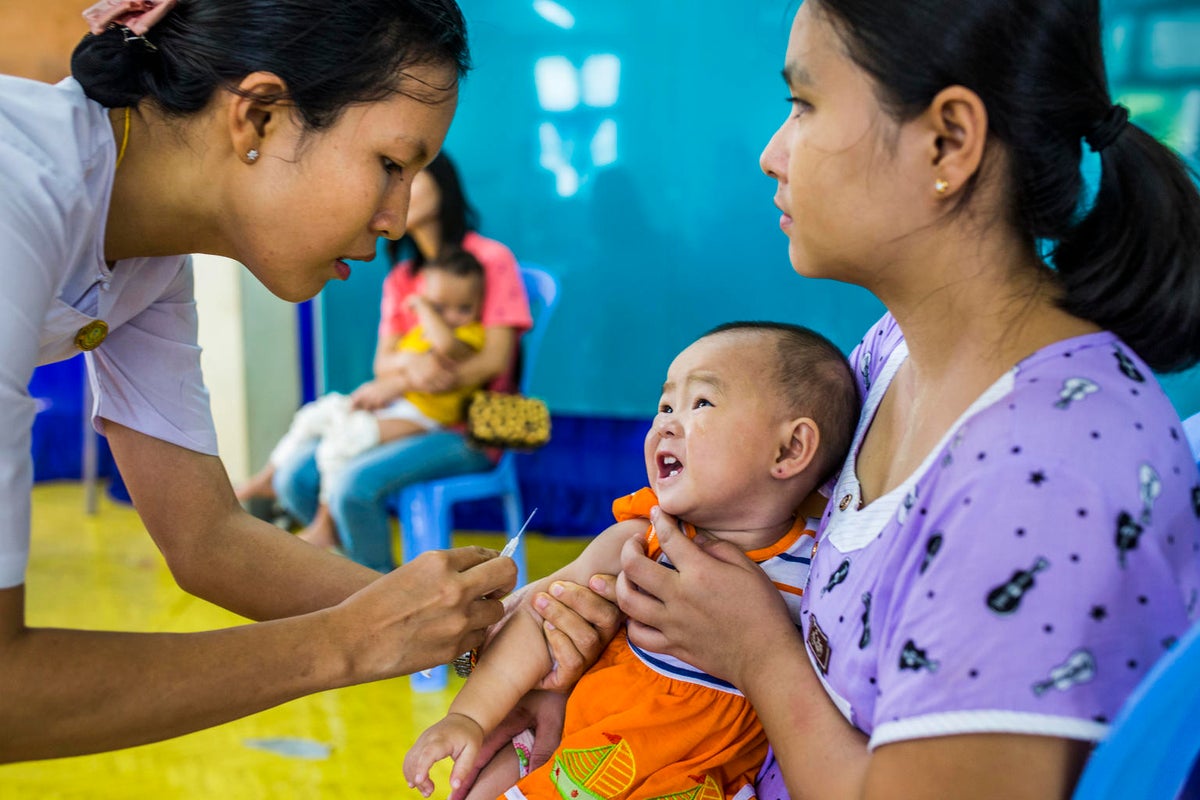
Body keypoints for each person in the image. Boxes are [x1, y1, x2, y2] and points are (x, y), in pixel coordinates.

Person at [459, 1, 1200, 798]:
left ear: (948, 141)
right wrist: (560, 628)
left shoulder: (1047, 475)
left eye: (804, 104)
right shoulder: (890, 355)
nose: (772, 154)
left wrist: (759, 654)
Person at [0, 0, 616, 763]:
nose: (395, 218)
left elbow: (205, 538)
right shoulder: (15, 193)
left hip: (473, 419)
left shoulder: (151, 261)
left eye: (416, 180)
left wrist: (489, 630)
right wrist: (346, 643)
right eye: (391, 165)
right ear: (259, 116)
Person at [403, 321, 860, 799]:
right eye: (664, 406)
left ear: (789, 449)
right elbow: (541, 620)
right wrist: (469, 717)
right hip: (571, 754)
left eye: (701, 402)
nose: (665, 422)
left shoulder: (824, 566)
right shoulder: (639, 540)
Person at [237, 151, 532, 570]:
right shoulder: (401, 278)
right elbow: (383, 366)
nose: (399, 192)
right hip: (407, 413)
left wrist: (411, 378)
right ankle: (348, 583)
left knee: (353, 487)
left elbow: (493, 361)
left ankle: (381, 600)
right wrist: (410, 376)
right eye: (391, 181)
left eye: (412, 178)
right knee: (294, 478)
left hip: (476, 426)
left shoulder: (490, 260)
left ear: (443, 184)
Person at [253, 247, 490, 550]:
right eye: (441, 307)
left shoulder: (468, 335)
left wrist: (425, 309)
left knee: (346, 442)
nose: (452, 317)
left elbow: (444, 346)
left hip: (426, 419)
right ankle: (269, 474)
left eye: (463, 308)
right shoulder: (419, 335)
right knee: (317, 414)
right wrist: (391, 383)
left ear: (479, 307)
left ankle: (326, 526)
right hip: (395, 406)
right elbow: (387, 367)